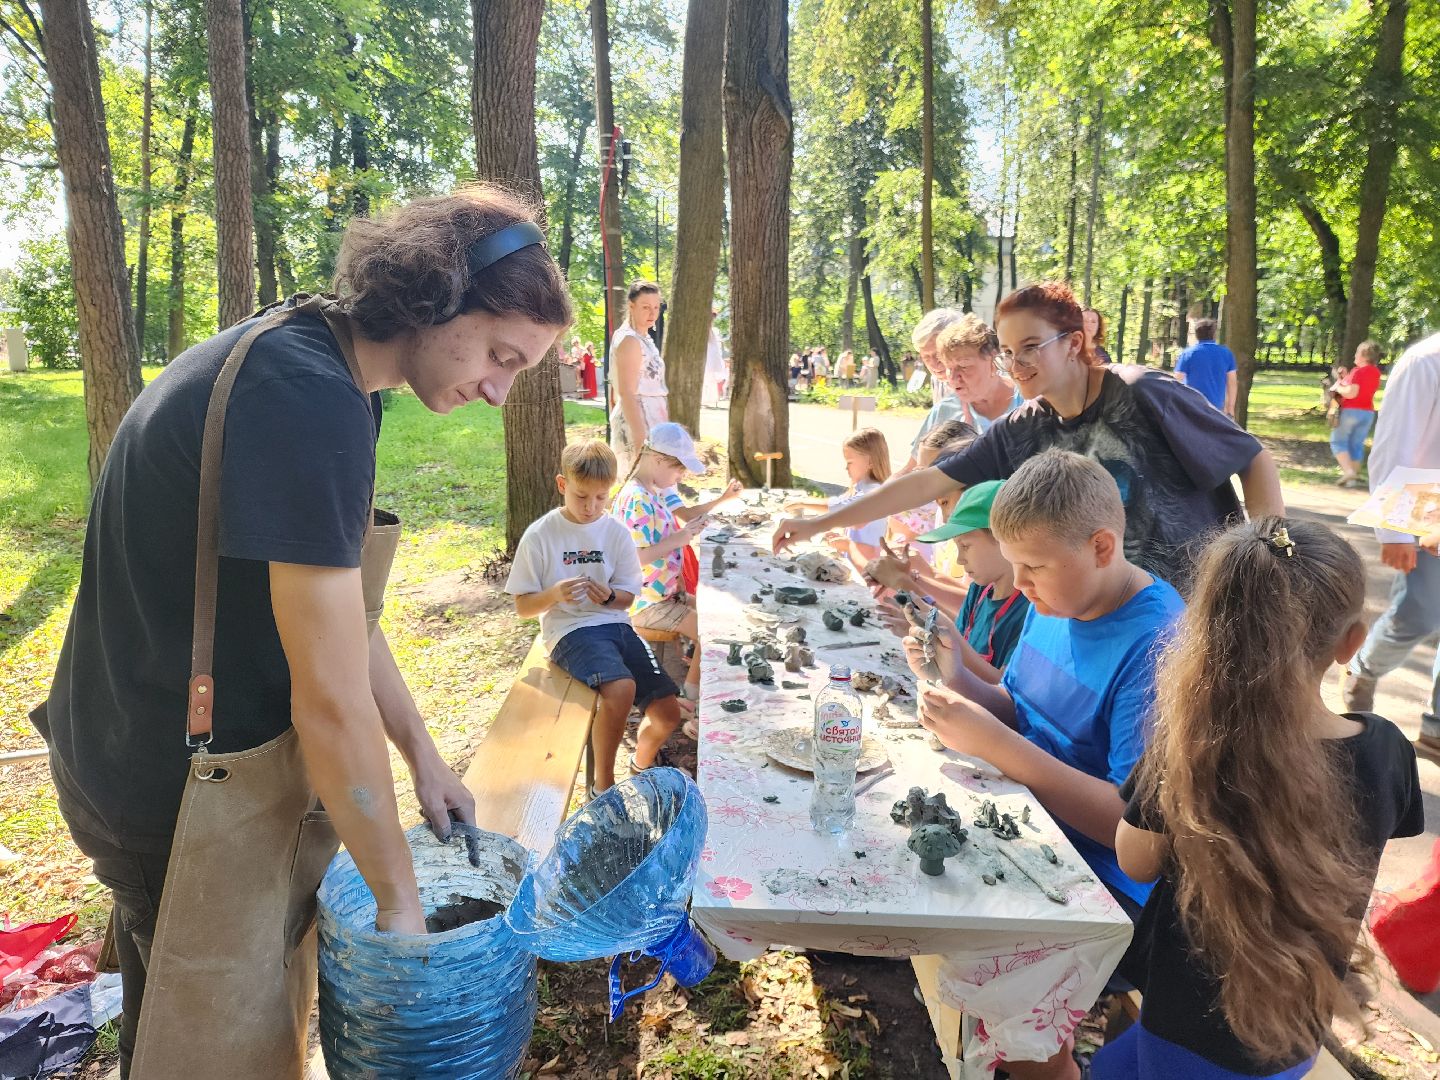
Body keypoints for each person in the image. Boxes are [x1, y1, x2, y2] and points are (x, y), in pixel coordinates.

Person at [29, 185, 572, 1078]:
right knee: (193, 1041)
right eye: (499, 355)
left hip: (174, 753)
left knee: (249, 1016)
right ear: (437, 298)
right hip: (164, 780)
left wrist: (423, 759)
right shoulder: (305, 398)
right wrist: (403, 907)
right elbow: (326, 700)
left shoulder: (329, 371)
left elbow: (345, 614)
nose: (498, 392)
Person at [1097, 518, 1424, 1080]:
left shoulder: (1193, 745)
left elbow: (1135, 858)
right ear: (1351, 642)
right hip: (1292, 1029)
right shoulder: (1388, 751)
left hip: (1186, 1028)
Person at [915, 451, 1184, 1080]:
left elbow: (1129, 827)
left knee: (1018, 1031)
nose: (1022, 585)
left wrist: (996, 745)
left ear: (1100, 546)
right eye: (1014, 567)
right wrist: (958, 680)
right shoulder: (1056, 596)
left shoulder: (1159, 644)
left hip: (1110, 884)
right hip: (1028, 825)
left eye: (1033, 568)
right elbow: (1018, 709)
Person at [774, 282, 1284, 591]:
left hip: (1200, 593)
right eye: (1008, 352)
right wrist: (820, 522)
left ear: (1075, 343)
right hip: (1114, 611)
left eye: (1032, 347)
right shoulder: (1026, 426)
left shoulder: (1142, 390)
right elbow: (926, 482)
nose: (1016, 366)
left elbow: (1253, 458)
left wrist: (1269, 563)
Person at [506, 441, 681, 794]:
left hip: (615, 625)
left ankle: (640, 767)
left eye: (601, 498)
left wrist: (612, 596)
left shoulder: (615, 532)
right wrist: (555, 594)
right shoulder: (541, 535)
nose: (591, 507)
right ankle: (603, 788)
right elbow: (524, 607)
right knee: (621, 688)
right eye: (581, 496)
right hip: (570, 629)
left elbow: (629, 596)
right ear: (562, 485)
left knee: (668, 713)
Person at [1341, 332, 1440, 765]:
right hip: (1429, 512)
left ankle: (1437, 726)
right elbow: (1394, 445)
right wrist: (1396, 531)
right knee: (1419, 612)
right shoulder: (1426, 361)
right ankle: (1362, 670)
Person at [613, 423, 742, 717]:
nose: (681, 476)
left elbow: (662, 537)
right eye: (679, 469)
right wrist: (682, 537)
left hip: (663, 594)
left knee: (721, 617)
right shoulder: (637, 498)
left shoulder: (652, 490)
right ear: (657, 459)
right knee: (709, 633)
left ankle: (697, 685)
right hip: (645, 602)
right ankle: (690, 699)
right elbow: (634, 557)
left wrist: (685, 533)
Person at [912, 479, 1031, 680]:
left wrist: (948, 635)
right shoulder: (978, 590)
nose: (959, 559)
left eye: (965, 546)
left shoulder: (1029, 609)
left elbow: (1002, 686)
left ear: (1003, 538)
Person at [785, 427, 893, 562]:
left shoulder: (873, 491)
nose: (846, 467)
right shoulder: (861, 487)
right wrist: (842, 537)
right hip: (856, 561)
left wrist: (802, 503)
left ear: (870, 462)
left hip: (868, 567)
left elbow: (840, 507)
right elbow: (842, 501)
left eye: (850, 462)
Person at [609, 280, 669, 473]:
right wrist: (639, 438)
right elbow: (626, 392)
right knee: (638, 484)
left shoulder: (644, 338)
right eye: (645, 307)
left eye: (655, 307)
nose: (652, 313)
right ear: (631, 306)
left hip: (653, 418)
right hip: (639, 420)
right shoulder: (630, 340)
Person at [1330, 339, 1383, 488]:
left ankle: (1348, 472)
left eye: (1357, 352)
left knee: (1337, 441)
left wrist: (1338, 388)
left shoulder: (1359, 371)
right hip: (1367, 413)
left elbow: (1352, 393)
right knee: (1356, 444)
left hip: (1351, 411)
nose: (1355, 355)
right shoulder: (1375, 372)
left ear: (1364, 355)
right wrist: (1345, 378)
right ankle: (1352, 480)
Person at [1173, 317, 1237, 415]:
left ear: (1196, 334)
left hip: (1192, 406)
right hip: (1217, 408)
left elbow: (1177, 381)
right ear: (1214, 334)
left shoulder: (1188, 354)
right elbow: (1232, 382)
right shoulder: (1226, 353)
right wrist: (1230, 408)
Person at [702, 309, 727, 408]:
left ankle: (710, 400)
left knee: (711, 379)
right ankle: (703, 400)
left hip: (712, 358)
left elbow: (716, 349)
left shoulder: (714, 332)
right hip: (706, 358)